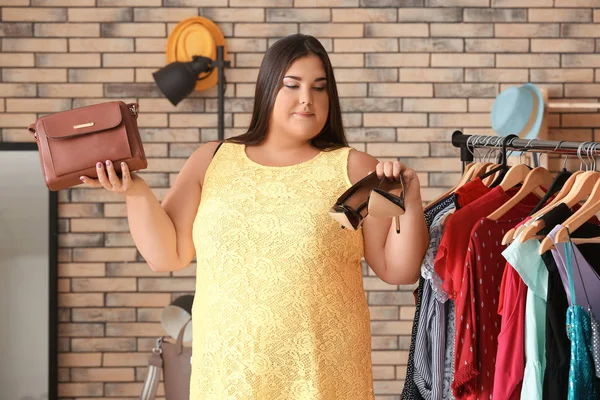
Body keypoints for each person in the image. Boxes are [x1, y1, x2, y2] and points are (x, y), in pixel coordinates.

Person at [81, 33, 429, 399]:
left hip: (320, 379)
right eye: (291, 85)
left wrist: (411, 196)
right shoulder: (211, 160)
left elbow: (398, 270)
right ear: (267, 90)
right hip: (227, 378)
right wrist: (134, 191)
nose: (306, 99)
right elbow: (166, 254)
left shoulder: (355, 168)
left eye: (319, 87)